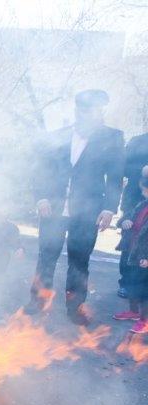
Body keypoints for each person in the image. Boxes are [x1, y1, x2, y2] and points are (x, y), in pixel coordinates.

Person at [25, 89, 125, 325]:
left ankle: (75, 306)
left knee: (79, 260)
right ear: (77, 111)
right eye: (84, 110)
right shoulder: (58, 136)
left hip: (88, 210)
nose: (88, 114)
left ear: (100, 111)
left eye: (94, 110)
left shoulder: (112, 137)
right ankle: (38, 301)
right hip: (53, 208)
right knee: (46, 256)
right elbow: (42, 170)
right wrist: (41, 197)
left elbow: (115, 175)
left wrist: (109, 208)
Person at [114, 170, 148, 333]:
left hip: (144, 257)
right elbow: (124, 218)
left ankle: (144, 320)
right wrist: (125, 221)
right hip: (132, 253)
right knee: (131, 283)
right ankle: (134, 312)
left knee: (144, 290)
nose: (143, 193)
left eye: (145, 190)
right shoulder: (142, 205)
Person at [117, 132, 148, 298]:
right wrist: (142, 170)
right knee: (130, 241)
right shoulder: (138, 141)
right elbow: (122, 166)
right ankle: (126, 282)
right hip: (135, 200)